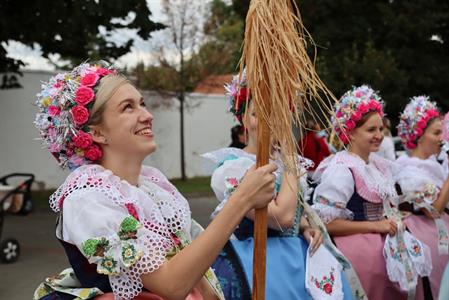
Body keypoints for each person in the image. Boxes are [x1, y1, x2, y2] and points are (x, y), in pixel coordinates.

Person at [33, 62, 278, 300]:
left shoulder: (153, 185)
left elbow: (194, 264)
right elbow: (171, 286)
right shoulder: (87, 199)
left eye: (142, 104)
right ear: (96, 133)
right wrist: (242, 199)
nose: (147, 115)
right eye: (128, 107)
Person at [203, 72, 359, 300]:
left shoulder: (288, 163)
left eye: (276, 113)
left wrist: (305, 227)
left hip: (299, 257)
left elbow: (294, 215)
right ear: (244, 119)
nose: (268, 121)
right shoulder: (232, 169)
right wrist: (289, 159)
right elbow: (280, 218)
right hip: (258, 263)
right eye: (257, 114)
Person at [312, 85, 431, 300]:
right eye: (371, 130)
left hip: (384, 247)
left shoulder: (379, 165)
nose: (379, 136)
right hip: (360, 254)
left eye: (380, 129)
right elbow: (326, 223)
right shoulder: (342, 169)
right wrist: (375, 226)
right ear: (350, 132)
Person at [395, 96, 449, 299]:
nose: (441, 138)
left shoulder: (434, 165)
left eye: (442, 132)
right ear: (418, 136)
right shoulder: (409, 169)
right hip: (428, 236)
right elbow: (433, 209)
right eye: (436, 133)